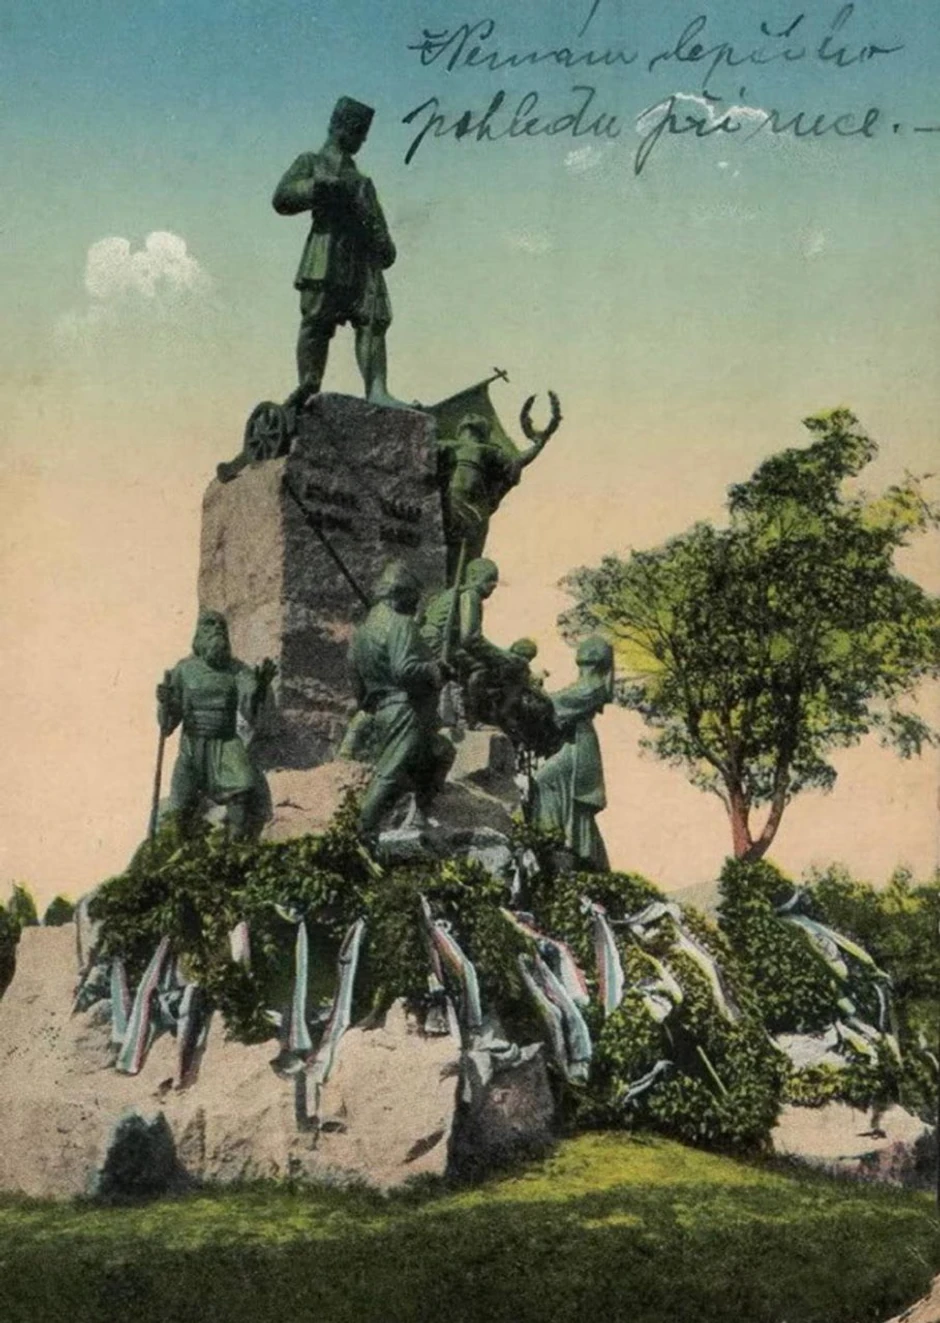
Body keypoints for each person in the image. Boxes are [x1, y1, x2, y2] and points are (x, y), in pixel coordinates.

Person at [272, 96, 399, 406]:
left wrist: (385, 245)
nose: (362, 141)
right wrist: (317, 187)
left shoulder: (362, 182)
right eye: (360, 134)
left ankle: (377, 391)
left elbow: (380, 230)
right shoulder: (311, 162)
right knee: (316, 319)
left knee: (373, 321)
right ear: (345, 128)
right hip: (325, 254)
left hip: (362, 262)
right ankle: (309, 384)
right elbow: (282, 197)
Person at [347, 560, 455, 835]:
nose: (416, 607)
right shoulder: (401, 623)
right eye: (414, 599)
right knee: (390, 774)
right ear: (401, 594)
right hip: (405, 711)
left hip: (382, 711)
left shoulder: (360, 634)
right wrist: (435, 669)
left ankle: (416, 820)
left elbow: (357, 686)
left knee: (440, 752)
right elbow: (404, 669)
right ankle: (360, 835)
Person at [156, 611, 275, 838]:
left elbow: (249, 705)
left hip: (226, 743)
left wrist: (260, 688)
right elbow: (167, 725)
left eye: (222, 625)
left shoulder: (237, 670)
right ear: (199, 633)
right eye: (210, 624)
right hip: (192, 746)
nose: (218, 629)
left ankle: (236, 847)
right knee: (178, 811)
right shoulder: (184, 670)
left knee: (242, 791)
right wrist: (165, 702)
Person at [531, 635, 614, 871]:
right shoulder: (585, 683)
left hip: (579, 747)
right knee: (562, 793)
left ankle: (553, 838)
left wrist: (533, 688)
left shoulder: (593, 686)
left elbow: (557, 704)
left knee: (544, 780)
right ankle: (561, 840)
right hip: (572, 743)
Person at [420, 558, 528, 729]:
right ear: (477, 578)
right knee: (479, 669)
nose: (492, 588)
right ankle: (473, 720)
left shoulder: (452, 593)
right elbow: (470, 638)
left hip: (429, 642)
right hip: (438, 643)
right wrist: (502, 656)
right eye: (490, 582)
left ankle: (460, 717)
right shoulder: (470, 595)